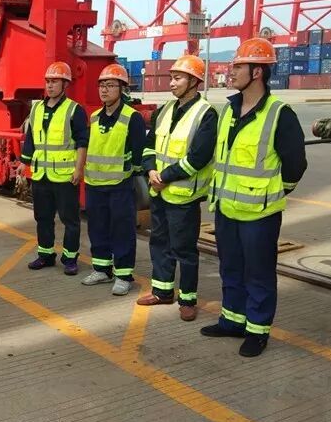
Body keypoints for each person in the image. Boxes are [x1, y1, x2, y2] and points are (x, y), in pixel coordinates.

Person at [201, 38, 307, 357]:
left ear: (257, 72)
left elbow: (295, 164)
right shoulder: (228, 110)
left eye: (238, 67)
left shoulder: (279, 114)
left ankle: (257, 331)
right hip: (226, 209)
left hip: (259, 214)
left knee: (258, 274)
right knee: (230, 268)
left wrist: (273, 192)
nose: (231, 72)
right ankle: (232, 321)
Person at [138, 55, 218, 321]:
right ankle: (162, 291)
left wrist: (164, 176)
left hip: (184, 196)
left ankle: (188, 299)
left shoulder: (206, 114)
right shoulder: (164, 110)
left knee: (184, 249)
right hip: (159, 191)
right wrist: (150, 170)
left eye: (177, 78)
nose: (171, 83)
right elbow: (149, 146)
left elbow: (198, 157)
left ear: (194, 82)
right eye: (171, 78)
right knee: (159, 242)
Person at [18, 61, 89, 275]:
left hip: (65, 176)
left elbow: (82, 142)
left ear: (65, 84)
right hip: (41, 174)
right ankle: (46, 255)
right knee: (43, 218)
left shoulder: (74, 110)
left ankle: (70, 259)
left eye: (55, 82)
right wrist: (24, 162)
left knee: (70, 220)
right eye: (48, 81)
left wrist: (79, 169)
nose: (50, 85)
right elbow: (31, 139)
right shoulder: (37, 108)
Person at [81, 63, 146, 296]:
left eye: (110, 85)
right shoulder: (95, 117)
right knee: (97, 229)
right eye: (101, 85)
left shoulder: (132, 117)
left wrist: (131, 173)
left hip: (120, 185)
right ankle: (101, 269)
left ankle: (123, 275)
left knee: (122, 231)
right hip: (95, 185)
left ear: (122, 89)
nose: (104, 90)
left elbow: (138, 153)